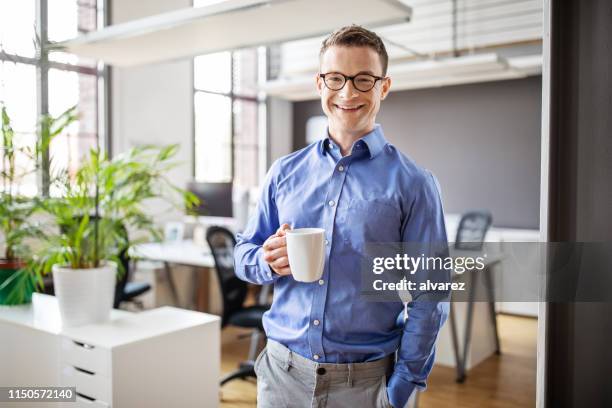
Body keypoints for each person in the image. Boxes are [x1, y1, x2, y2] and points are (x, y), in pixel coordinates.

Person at [234, 25, 449, 408]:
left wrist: (402, 388)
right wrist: (266, 260)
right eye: (335, 78)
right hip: (281, 378)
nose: (348, 93)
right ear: (320, 83)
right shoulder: (283, 173)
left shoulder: (414, 184)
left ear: (383, 87)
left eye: (364, 79)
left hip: (365, 387)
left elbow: (430, 296)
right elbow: (243, 254)